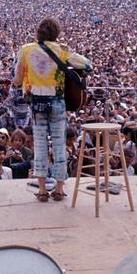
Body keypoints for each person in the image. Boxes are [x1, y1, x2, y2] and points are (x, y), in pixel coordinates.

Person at [12, 17, 92, 202]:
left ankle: (41, 190)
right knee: (59, 145)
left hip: (37, 103)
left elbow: (16, 79)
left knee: (40, 146)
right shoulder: (62, 50)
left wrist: (20, 83)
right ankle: (59, 189)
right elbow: (87, 64)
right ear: (57, 32)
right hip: (57, 103)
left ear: (38, 31)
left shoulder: (26, 50)